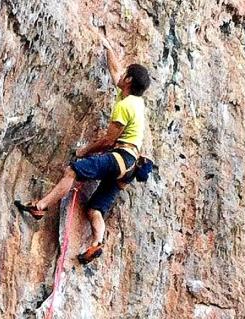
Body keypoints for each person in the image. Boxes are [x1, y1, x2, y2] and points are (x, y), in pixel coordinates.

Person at [15, 34, 151, 264]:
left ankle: (40, 206)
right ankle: (97, 242)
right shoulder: (136, 101)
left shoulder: (125, 107)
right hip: (128, 168)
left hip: (119, 157)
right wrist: (108, 46)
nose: (121, 76)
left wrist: (83, 152)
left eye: (126, 75)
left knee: (73, 171)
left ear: (129, 81)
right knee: (94, 209)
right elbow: (116, 72)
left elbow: (108, 141)